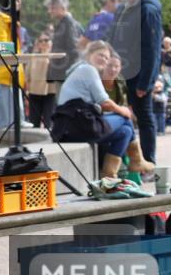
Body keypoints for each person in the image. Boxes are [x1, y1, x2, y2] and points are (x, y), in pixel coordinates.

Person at [56, 41, 154, 178]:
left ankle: (109, 175)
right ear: (89, 54)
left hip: (72, 126)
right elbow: (105, 102)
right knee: (124, 117)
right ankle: (137, 161)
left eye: (107, 58)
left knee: (125, 131)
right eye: (100, 55)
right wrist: (124, 111)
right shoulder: (88, 69)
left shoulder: (80, 69)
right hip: (77, 124)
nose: (104, 59)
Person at [106, 0, 163, 168]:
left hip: (138, 74)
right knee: (121, 115)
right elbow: (113, 38)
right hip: (120, 72)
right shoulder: (122, 8)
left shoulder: (148, 9)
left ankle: (148, 161)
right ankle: (124, 160)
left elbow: (152, 48)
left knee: (144, 117)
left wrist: (146, 81)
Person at [0, 0, 27, 130]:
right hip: (5, 66)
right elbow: (1, 44)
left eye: (19, 1)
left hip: (12, 64)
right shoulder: (0, 18)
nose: (18, 3)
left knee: (13, 95)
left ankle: (17, 121)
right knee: (6, 99)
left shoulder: (10, 20)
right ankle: (8, 124)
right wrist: (13, 55)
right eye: (15, 0)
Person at [44, 0, 82, 85]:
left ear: (62, 8)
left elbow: (74, 50)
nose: (49, 11)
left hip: (65, 75)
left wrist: (69, 73)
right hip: (62, 74)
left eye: (52, 8)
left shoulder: (68, 24)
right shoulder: (63, 23)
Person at [25, 34, 58, 128]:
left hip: (51, 92)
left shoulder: (56, 56)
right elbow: (27, 76)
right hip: (34, 92)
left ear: (51, 42)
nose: (43, 42)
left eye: (46, 40)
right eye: (41, 40)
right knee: (34, 122)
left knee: (49, 122)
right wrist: (27, 92)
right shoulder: (33, 56)